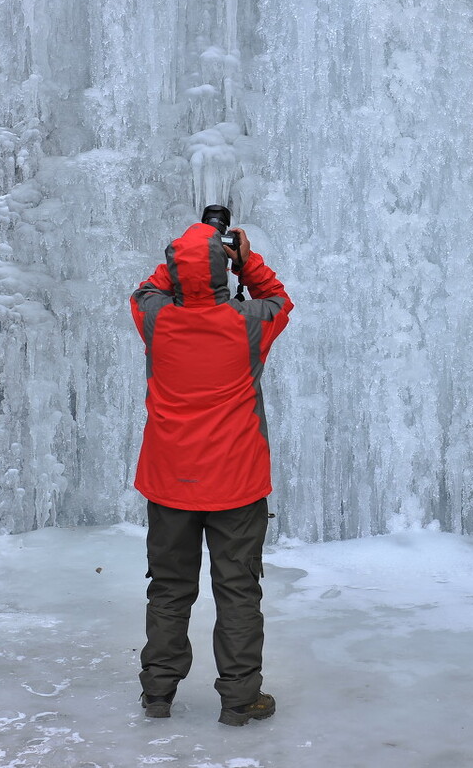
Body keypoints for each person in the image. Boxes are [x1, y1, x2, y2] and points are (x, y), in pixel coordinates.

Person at [129, 204, 293, 726]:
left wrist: (186, 255)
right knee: (238, 590)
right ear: (224, 270)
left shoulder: (156, 320)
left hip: (170, 481)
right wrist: (244, 261)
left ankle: (158, 692)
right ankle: (241, 699)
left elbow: (146, 290)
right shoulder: (247, 324)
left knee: (169, 588)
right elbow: (279, 300)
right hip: (237, 486)